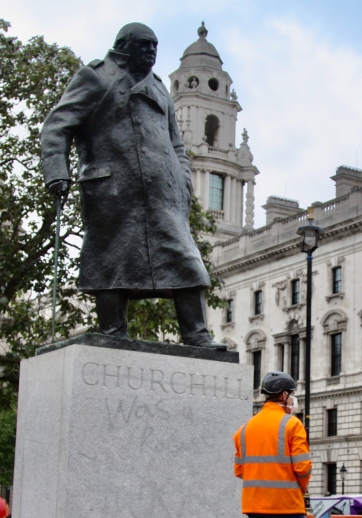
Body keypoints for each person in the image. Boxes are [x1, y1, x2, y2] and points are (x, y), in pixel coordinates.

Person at [39, 22, 224, 349]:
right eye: (144, 45)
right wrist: (57, 170)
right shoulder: (95, 77)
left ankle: (197, 335)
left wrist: (182, 182)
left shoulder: (158, 87)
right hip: (112, 190)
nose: (152, 52)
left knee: (186, 261)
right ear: (124, 46)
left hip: (163, 196)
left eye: (155, 45)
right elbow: (56, 126)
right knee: (110, 261)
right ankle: (113, 332)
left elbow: (177, 145)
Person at [234, 372, 311, 518]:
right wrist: (301, 488)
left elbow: (239, 470)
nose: (293, 399)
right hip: (287, 506)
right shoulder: (292, 424)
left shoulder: (245, 428)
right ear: (284, 396)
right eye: (292, 394)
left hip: (255, 505)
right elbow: (303, 468)